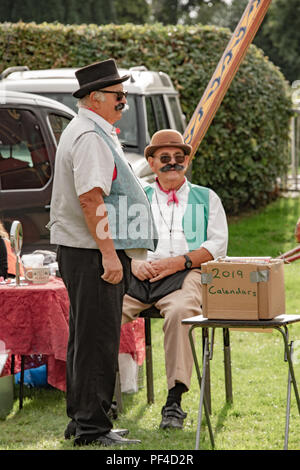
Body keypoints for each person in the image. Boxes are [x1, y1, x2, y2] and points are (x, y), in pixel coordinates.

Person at [48, 59, 157, 447]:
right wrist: (110, 255)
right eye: (119, 97)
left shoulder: (89, 129)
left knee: (86, 337)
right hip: (93, 253)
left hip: (85, 251)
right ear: (95, 98)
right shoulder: (90, 136)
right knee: (97, 341)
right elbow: (91, 197)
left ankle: (84, 420)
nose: (123, 103)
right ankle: (93, 429)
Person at [122, 129, 228, 430]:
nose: (173, 163)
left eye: (179, 158)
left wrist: (178, 262)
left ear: (187, 161)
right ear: (152, 162)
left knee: (181, 313)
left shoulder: (206, 197)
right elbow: (118, 242)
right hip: (142, 275)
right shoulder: (137, 196)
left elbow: (216, 246)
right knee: (104, 310)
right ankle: (102, 394)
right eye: (164, 158)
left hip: (186, 274)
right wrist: (133, 264)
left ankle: (174, 399)